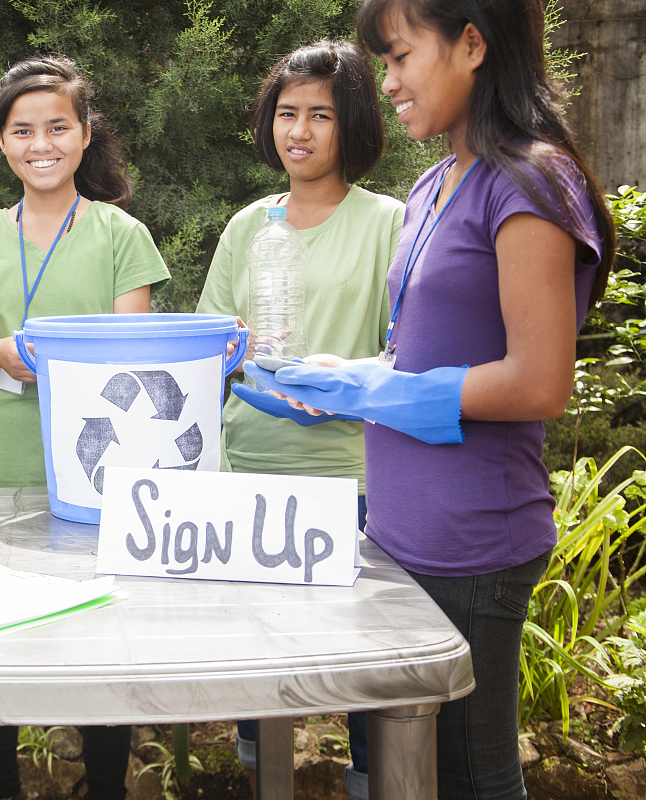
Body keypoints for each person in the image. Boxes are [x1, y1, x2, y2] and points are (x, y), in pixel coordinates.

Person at [245, 2, 616, 798]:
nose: (387, 83)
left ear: (472, 44)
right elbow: (420, 353)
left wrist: (378, 389)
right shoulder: (433, 184)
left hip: (473, 547)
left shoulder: (530, 180)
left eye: (401, 57)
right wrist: (347, 376)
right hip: (400, 534)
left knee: (470, 778)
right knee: (408, 775)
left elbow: (540, 380)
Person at [0, 56, 170, 800]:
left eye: (57, 127)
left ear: (84, 134)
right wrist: (0, 354)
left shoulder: (121, 234)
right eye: (22, 131)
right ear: (1, 142)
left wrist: (70, 362)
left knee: (104, 637)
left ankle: (105, 786)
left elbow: (133, 357)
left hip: (102, 469)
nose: (40, 144)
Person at [197, 40, 402, 800]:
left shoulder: (389, 221)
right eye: (288, 113)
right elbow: (213, 342)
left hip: (352, 477)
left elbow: (407, 348)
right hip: (252, 466)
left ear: (353, 123)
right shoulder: (248, 225)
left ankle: (372, 779)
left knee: (367, 654)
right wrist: (232, 354)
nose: (300, 131)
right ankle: (264, 777)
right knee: (260, 657)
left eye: (321, 114)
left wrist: (345, 386)